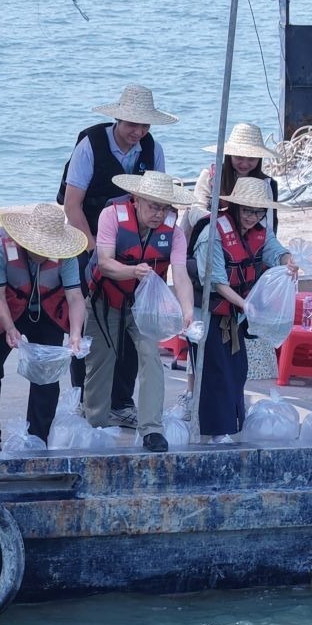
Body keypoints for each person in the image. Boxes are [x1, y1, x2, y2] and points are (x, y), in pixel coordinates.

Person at [59, 84, 175, 429]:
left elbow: (160, 200)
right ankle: (84, 398)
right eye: (132, 124)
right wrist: (96, 251)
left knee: (133, 325)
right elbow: (72, 206)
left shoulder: (152, 150)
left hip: (137, 249)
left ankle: (122, 402)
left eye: (144, 125)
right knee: (91, 325)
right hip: (89, 239)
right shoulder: (90, 145)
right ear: (118, 119)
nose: (138, 132)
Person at [87, 170, 197, 451]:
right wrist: (132, 271)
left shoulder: (174, 233)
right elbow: (104, 262)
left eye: (164, 207)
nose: (159, 214)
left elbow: (180, 274)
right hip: (106, 300)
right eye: (153, 206)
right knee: (101, 363)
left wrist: (187, 311)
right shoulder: (111, 216)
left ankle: (152, 429)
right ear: (136, 199)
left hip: (144, 305)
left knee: (151, 357)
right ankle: (94, 424)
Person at [191, 179, 295, 441]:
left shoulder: (260, 230)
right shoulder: (212, 234)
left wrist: (289, 261)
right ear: (235, 206)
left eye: (259, 212)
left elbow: (276, 252)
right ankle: (215, 432)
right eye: (248, 210)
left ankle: (231, 425)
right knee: (216, 372)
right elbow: (215, 281)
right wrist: (246, 304)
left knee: (237, 370)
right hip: (209, 313)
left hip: (235, 314)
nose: (253, 217)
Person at [0, 203, 87, 445]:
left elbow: (75, 297)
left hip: (48, 313)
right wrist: (9, 328)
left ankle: (38, 437)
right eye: (38, 247)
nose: (43, 253)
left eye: (49, 248)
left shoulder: (67, 256)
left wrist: (75, 333)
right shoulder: (0, 251)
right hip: (9, 309)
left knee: (46, 374)